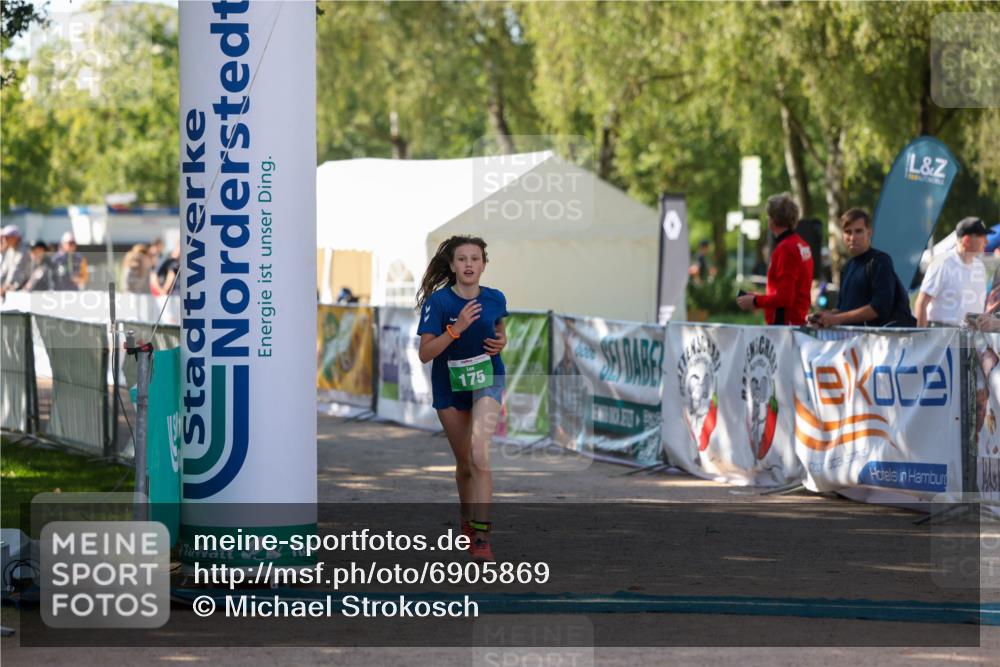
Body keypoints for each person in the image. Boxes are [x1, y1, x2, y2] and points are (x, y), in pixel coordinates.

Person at [416, 235, 507, 562]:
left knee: (480, 455)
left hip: (488, 380)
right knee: (465, 463)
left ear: (483, 264)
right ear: (453, 265)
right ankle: (466, 519)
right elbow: (425, 354)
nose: (469, 264)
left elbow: (498, 330)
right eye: (462, 259)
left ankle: (482, 535)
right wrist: (456, 329)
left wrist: (501, 341)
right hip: (450, 386)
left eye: (475, 259)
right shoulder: (439, 303)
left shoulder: (496, 298)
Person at [813, 208, 915, 328]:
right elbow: (842, 308)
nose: (852, 237)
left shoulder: (880, 261)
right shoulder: (846, 268)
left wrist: (837, 318)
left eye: (858, 231)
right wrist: (823, 316)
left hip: (882, 342)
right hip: (854, 343)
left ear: (869, 232)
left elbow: (880, 307)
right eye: (848, 232)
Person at [735, 193, 814, 325]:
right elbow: (791, 291)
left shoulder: (785, 249)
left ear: (773, 220)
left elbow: (785, 299)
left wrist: (755, 301)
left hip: (784, 326)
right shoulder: (802, 245)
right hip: (796, 321)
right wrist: (758, 297)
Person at [915, 216, 989, 327]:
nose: (987, 241)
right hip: (942, 338)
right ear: (966, 240)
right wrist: (922, 339)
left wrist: (987, 341)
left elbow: (980, 308)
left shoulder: (980, 267)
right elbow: (921, 303)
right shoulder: (941, 263)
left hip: (970, 338)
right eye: (982, 237)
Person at [0, 225, 31, 297]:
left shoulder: (23, 252)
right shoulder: (9, 251)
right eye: (3, 237)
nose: (4, 239)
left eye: (7, 237)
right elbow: (4, 271)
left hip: (19, 292)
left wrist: (6, 287)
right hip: (8, 290)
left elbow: (17, 272)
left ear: (15, 238)